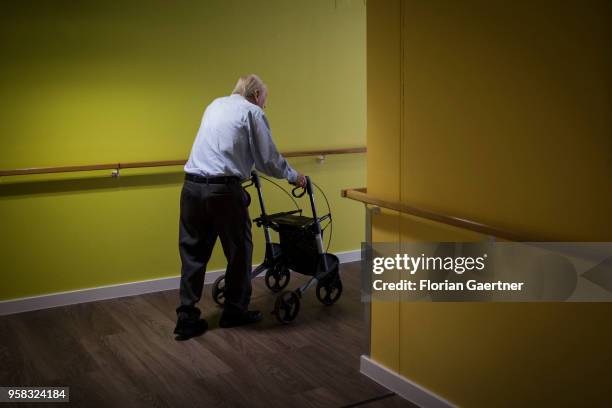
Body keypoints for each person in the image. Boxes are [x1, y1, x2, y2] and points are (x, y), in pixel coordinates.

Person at [174, 74, 307, 340]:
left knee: (193, 253)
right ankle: (234, 311)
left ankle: (186, 318)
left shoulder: (215, 105)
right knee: (239, 251)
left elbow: (223, 146)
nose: (264, 107)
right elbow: (268, 159)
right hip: (223, 192)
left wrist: (245, 167)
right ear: (256, 95)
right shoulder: (252, 113)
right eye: (264, 102)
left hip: (191, 188)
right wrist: (295, 176)